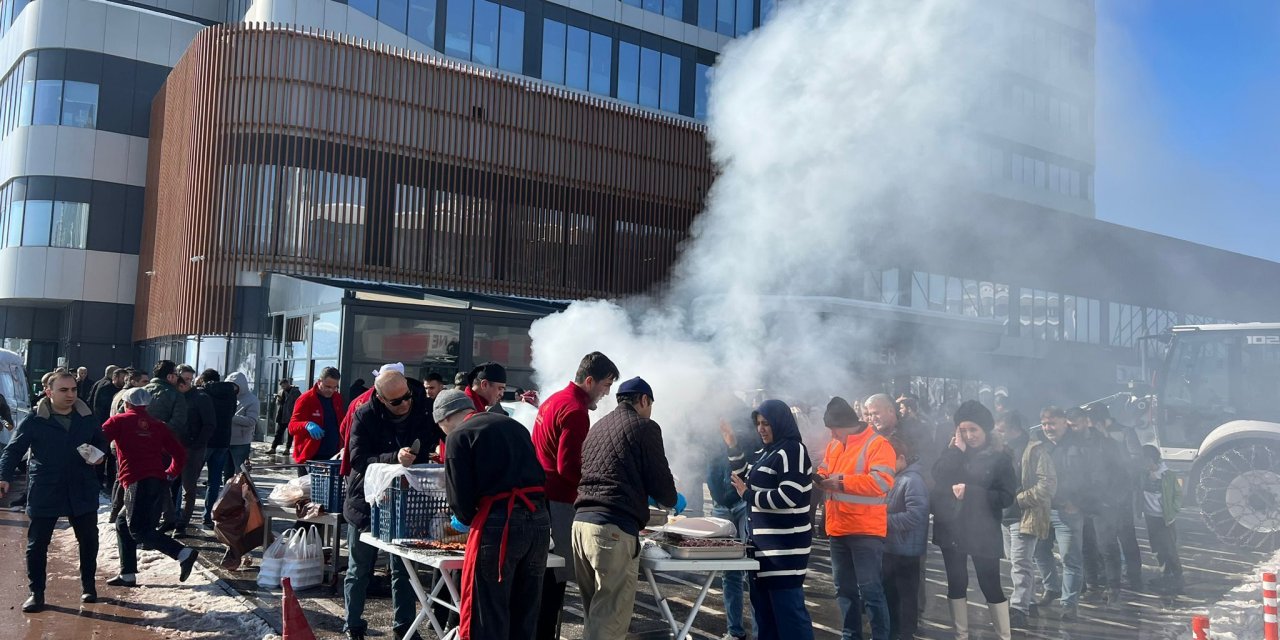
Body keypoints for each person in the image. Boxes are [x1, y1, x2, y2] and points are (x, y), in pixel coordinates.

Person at [437, 388, 551, 640]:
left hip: (501, 522)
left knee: (489, 609)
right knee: (526, 607)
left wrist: (462, 520)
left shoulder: (459, 435)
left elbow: (461, 500)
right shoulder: (514, 426)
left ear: (444, 419)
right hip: (539, 519)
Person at [572, 377, 680, 640]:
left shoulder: (598, 426)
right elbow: (664, 487)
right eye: (650, 404)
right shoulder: (645, 427)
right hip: (613, 530)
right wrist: (671, 497)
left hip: (581, 527)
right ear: (643, 400)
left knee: (595, 616)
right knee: (609, 621)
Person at [342, 370, 441, 640]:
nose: (405, 404)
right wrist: (393, 458)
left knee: (404, 569)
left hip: (406, 500)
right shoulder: (364, 414)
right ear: (381, 398)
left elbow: (434, 437)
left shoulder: (422, 408)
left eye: (407, 397)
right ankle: (353, 625)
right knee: (360, 567)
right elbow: (358, 459)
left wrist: (433, 453)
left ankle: (405, 628)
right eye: (396, 402)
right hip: (367, 501)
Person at [0, 370, 107, 612]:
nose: (70, 394)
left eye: (73, 389)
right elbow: (13, 450)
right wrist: (3, 477)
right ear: (49, 392)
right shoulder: (35, 420)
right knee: (37, 544)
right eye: (63, 390)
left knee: (89, 540)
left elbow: (102, 442)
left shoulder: (87, 417)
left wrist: (99, 456)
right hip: (46, 487)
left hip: (81, 486)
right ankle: (36, 593)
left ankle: (89, 587)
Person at [530, 351, 619, 640]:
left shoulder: (554, 400)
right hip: (558, 502)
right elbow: (568, 467)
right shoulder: (575, 411)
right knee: (555, 578)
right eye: (605, 385)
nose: (606, 393)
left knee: (542, 576)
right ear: (590, 380)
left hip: (540, 496)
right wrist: (597, 482)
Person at [722, 399, 816, 640]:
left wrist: (749, 495)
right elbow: (746, 478)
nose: (761, 429)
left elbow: (790, 496)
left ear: (780, 422)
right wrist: (732, 446)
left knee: (790, 620)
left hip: (784, 552)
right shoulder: (767, 452)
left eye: (767, 423)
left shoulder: (792, 450)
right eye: (758, 424)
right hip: (763, 552)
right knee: (766, 620)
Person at [931, 400, 1016, 640]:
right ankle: (961, 635)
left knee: (990, 584)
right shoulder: (952, 451)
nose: (969, 435)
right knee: (956, 583)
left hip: (983, 531)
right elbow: (938, 476)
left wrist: (972, 492)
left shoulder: (1000, 458)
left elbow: (1006, 497)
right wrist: (955, 450)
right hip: (951, 529)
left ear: (985, 429)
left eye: (973, 430)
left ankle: (1004, 636)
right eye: (963, 430)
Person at [100, 387, 200, 587]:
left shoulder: (118, 421)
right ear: (147, 404)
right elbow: (179, 454)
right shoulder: (158, 425)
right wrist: (171, 473)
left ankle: (183, 553)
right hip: (157, 479)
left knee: (138, 530)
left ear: (125, 403)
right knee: (123, 524)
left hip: (135, 480)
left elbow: (98, 440)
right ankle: (127, 573)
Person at [816, 397, 895, 640]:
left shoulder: (878, 445)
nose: (832, 435)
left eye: (834, 430)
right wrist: (819, 476)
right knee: (844, 590)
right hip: (838, 528)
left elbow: (881, 482)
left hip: (866, 531)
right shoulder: (835, 444)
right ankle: (850, 635)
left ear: (845, 426)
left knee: (870, 591)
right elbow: (825, 466)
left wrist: (839, 483)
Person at [993, 410, 1056, 628]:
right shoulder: (1002, 450)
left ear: (1013, 429)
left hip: (1025, 514)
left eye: (1001, 430)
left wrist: (1019, 500)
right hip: (1005, 516)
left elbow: (1047, 483)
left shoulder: (1035, 450)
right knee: (1016, 562)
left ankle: (1018, 607)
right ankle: (1030, 602)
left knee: (1020, 563)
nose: (998, 434)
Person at [707, 406, 761, 640]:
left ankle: (761, 632)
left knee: (752, 568)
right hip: (720, 504)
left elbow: (750, 461)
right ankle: (734, 631)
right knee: (729, 571)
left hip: (742, 503)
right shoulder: (705, 424)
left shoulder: (744, 416)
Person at [1031, 406, 1089, 620]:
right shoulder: (1039, 446)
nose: (1048, 428)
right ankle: (1051, 588)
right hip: (1043, 510)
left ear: (1065, 422)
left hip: (1067, 510)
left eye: (1052, 423)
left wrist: (1078, 502)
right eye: (1045, 424)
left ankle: (1069, 603)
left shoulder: (1081, 446)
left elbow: (1091, 477)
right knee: (1039, 551)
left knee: (1069, 557)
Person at [1088, 402, 1144, 591]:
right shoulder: (1092, 436)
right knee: (1105, 540)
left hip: (1122, 496)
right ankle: (1109, 575)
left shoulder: (1125, 432)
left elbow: (1136, 460)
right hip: (1101, 497)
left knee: (1127, 536)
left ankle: (1135, 577)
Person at [883, 437, 928, 640]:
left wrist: (883, 520)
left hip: (905, 550)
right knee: (891, 592)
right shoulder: (899, 477)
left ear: (901, 458)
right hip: (893, 547)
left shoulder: (912, 480)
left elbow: (915, 516)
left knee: (905, 595)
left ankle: (905, 632)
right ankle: (894, 630)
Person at [865, 394, 939, 488]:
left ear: (890, 410)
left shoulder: (915, 429)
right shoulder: (872, 436)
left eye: (876, 413)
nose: (872, 418)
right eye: (870, 415)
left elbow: (928, 461)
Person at [173, 375, 215, 537]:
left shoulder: (201, 398)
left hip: (192, 448)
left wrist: (197, 444)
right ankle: (171, 518)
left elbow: (209, 424)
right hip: (174, 447)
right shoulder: (176, 397)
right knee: (171, 485)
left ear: (183, 385)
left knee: (188, 488)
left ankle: (182, 523)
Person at [1140, 445, 1182, 594]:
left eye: (1145, 461)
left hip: (1164, 518)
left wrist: (1173, 511)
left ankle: (1177, 576)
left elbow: (1177, 495)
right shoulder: (1143, 474)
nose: (1144, 464)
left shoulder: (1167, 475)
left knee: (1169, 548)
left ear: (1151, 459)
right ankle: (1165, 574)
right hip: (1150, 517)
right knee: (1157, 548)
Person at [199, 369, 238, 526]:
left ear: (204, 379)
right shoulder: (231, 394)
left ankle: (182, 514)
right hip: (223, 440)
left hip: (205, 440)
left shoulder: (203, 394)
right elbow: (232, 413)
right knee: (214, 481)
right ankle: (208, 515)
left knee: (190, 477)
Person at [288, 367, 346, 469]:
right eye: (327, 386)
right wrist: (306, 425)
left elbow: (341, 422)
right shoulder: (306, 399)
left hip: (333, 455)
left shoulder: (337, 398)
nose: (331, 390)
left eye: (334, 387)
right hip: (310, 457)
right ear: (319, 382)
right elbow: (292, 427)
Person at [225, 372, 258, 481]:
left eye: (233, 386)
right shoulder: (227, 398)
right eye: (228, 386)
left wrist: (231, 417)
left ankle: (241, 496)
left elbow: (251, 420)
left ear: (241, 385)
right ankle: (226, 496)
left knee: (240, 475)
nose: (231, 389)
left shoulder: (251, 400)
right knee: (227, 474)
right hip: (225, 441)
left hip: (241, 443)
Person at [143, 360, 188, 437]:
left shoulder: (139, 391)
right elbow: (178, 421)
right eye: (176, 374)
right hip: (161, 441)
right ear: (169, 377)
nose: (178, 378)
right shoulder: (176, 395)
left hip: (138, 439)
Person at [270, 378, 301, 458]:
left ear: (288, 384)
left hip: (291, 415)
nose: (283, 388)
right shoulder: (281, 392)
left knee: (290, 433)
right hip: (282, 415)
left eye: (284, 386)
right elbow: (279, 403)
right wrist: (279, 399)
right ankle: (273, 448)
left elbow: (299, 402)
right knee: (278, 432)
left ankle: (287, 449)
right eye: (282, 386)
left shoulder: (295, 392)